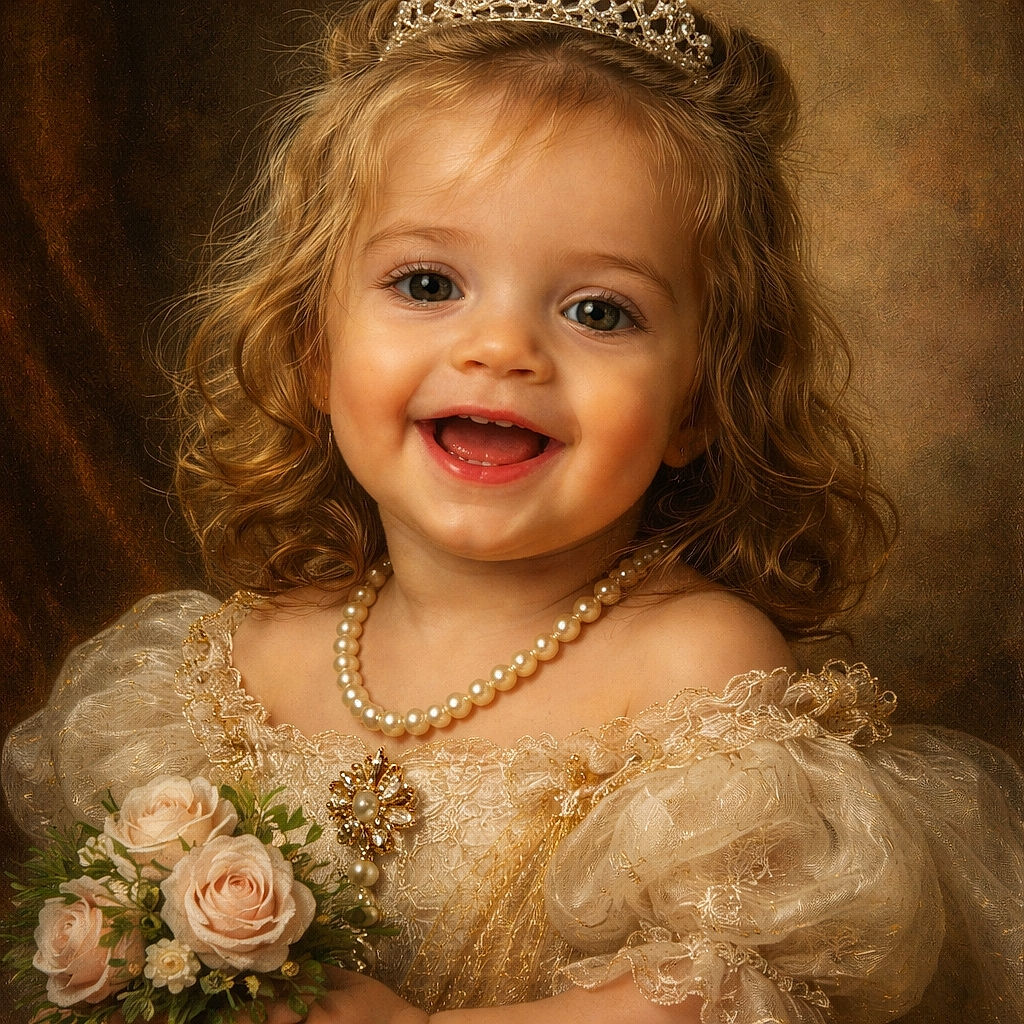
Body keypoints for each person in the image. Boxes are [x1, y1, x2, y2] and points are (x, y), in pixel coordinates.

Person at [4, 0, 1023, 1021]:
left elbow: (730, 992)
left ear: (701, 402)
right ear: (312, 344)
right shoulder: (249, 660)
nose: (501, 348)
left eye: (598, 310)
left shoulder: (692, 666)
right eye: (427, 282)